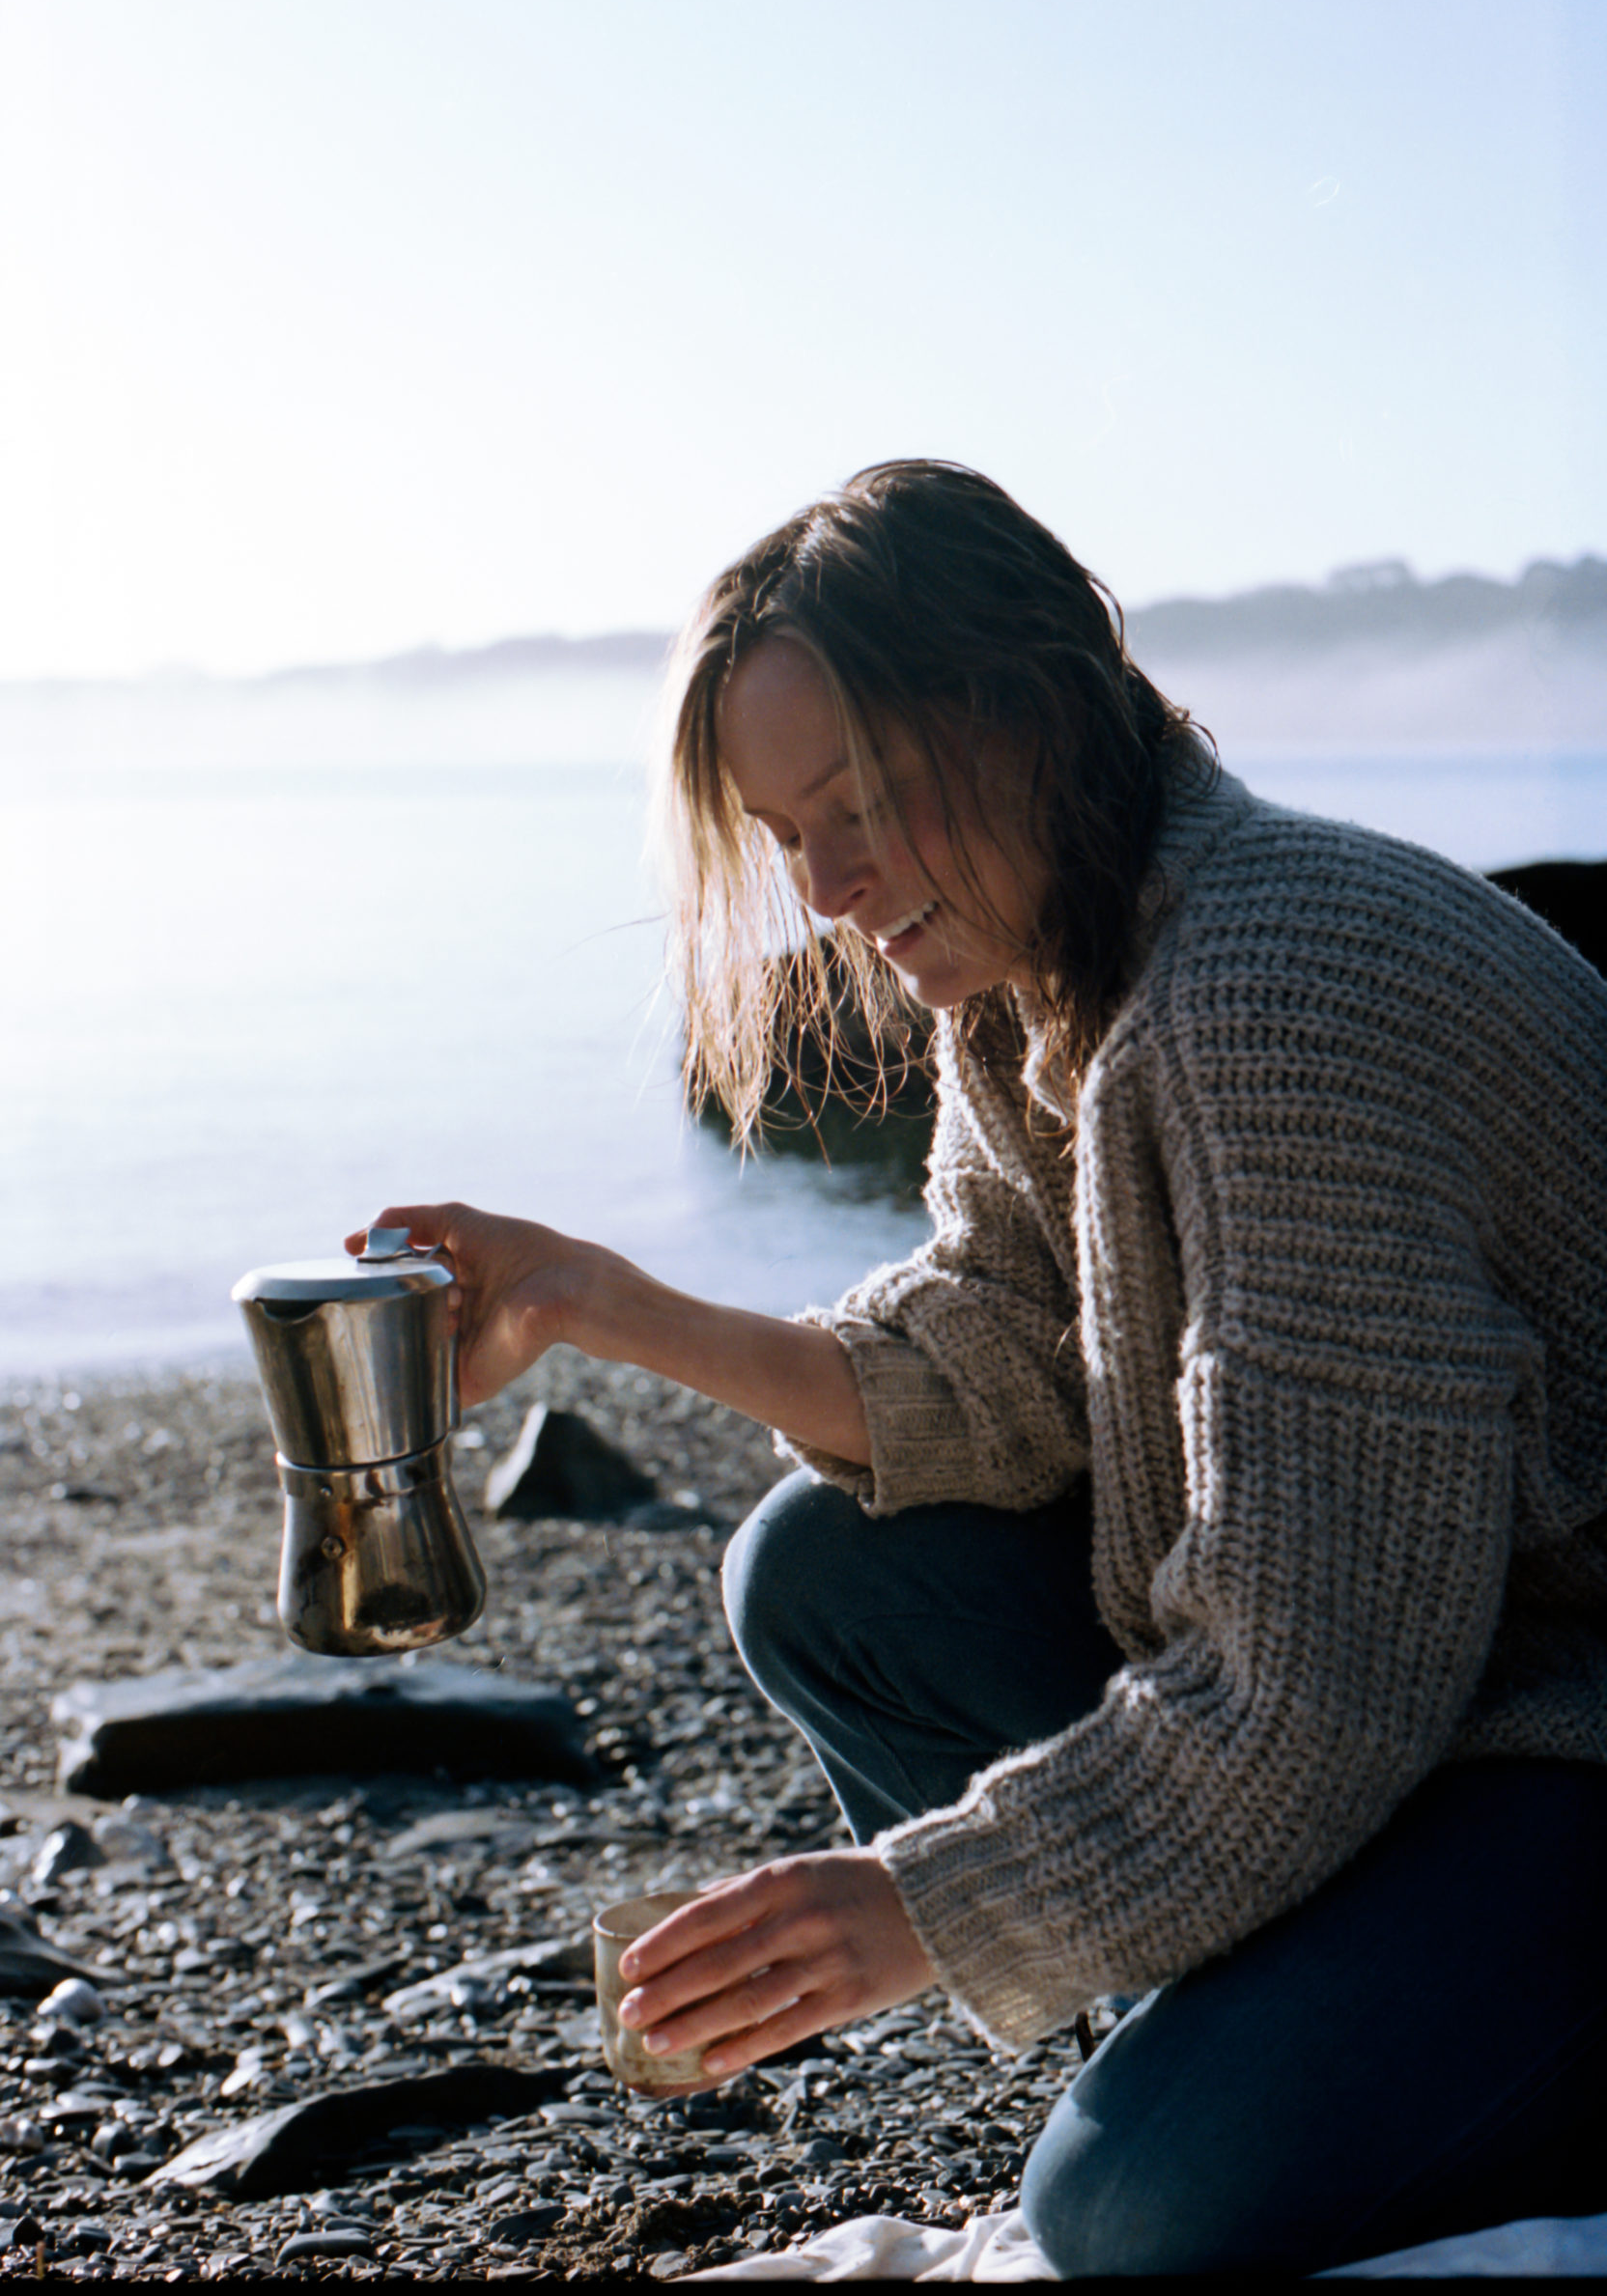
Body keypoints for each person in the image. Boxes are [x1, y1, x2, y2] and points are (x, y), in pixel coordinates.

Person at [355, 462, 1607, 2274]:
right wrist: (595, 1300)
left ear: (1025, 709)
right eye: (790, 835)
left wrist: (922, 1905)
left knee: (1122, 2214)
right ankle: (1280, 2054)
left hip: (1559, 1730)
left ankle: (1320, 2082)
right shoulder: (1042, 971)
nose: (834, 888)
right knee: (822, 1571)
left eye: (860, 801)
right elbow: (1007, 1365)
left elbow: (1322, 1688)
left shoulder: (1280, 989)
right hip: (1434, 1698)